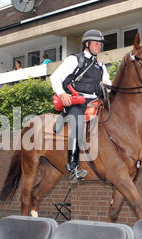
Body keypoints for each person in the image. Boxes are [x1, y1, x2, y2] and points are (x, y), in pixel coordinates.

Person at [50, 29, 112, 182]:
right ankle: (73, 165)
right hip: (76, 100)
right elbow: (55, 77)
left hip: (95, 101)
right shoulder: (74, 60)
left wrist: (107, 85)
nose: (99, 46)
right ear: (87, 44)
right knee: (78, 124)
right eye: (96, 43)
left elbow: (108, 83)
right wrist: (62, 94)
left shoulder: (101, 65)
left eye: (100, 44)